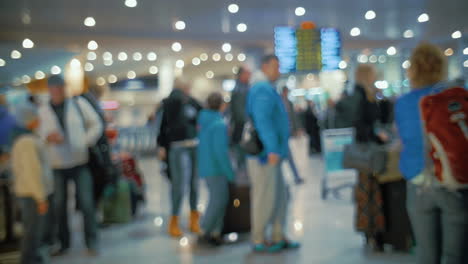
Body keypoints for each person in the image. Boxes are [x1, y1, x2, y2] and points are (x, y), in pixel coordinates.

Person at [395, 42, 468, 264]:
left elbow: (404, 139)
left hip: (418, 183)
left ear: (413, 69)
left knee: (426, 254)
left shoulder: (404, 102)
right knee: (455, 256)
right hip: (453, 181)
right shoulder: (456, 98)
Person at [38, 75, 103, 256]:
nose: (57, 91)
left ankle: (92, 242)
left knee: (86, 203)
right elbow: (38, 134)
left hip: (79, 162)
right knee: (59, 206)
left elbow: (96, 124)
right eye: (54, 88)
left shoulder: (77, 104)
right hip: (57, 164)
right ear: (49, 89)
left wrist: (85, 141)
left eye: (60, 87)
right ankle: (63, 243)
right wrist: (47, 138)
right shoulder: (43, 110)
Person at [246, 55, 300, 253]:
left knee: (279, 196)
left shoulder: (267, 88)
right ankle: (258, 238)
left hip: (274, 152)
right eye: (275, 66)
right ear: (265, 66)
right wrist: (271, 149)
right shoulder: (261, 88)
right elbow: (263, 121)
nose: (278, 71)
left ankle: (278, 235)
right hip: (265, 154)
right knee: (265, 196)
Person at [157, 78, 203, 237]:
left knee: (193, 184)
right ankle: (175, 221)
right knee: (180, 185)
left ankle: (193, 218)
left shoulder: (191, 102)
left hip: (192, 146)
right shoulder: (170, 103)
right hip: (178, 147)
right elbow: (163, 126)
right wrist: (162, 145)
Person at [11, 100, 53, 264]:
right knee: (32, 232)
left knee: (33, 231)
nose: (40, 119)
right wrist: (40, 198)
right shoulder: (27, 142)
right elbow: (32, 172)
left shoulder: (25, 139)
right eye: (36, 116)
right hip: (31, 194)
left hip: (29, 193)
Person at [351, 64, 388, 251]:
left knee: (369, 191)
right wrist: (376, 136)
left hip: (368, 150)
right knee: (369, 191)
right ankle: (373, 232)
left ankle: (371, 231)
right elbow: (360, 124)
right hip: (367, 151)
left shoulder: (367, 94)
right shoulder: (360, 96)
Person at [197, 92, 234, 246]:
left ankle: (215, 232)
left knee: (219, 199)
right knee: (218, 200)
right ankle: (205, 230)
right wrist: (230, 172)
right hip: (216, 168)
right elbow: (221, 152)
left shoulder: (204, 121)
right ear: (221, 105)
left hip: (206, 166)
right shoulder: (219, 124)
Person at [229, 66, 252, 179]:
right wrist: (249, 125)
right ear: (241, 75)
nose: (249, 76)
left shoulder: (244, 88)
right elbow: (239, 113)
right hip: (242, 128)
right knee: (241, 156)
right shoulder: (239, 90)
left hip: (242, 127)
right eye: (247, 74)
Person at [280, 86, 304, 184]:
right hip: (281, 134)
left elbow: (293, 116)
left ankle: (296, 177)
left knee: (288, 156)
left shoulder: (289, 103)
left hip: (287, 132)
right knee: (286, 156)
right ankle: (295, 177)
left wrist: (297, 128)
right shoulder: (278, 102)